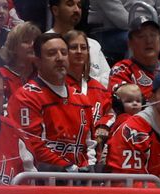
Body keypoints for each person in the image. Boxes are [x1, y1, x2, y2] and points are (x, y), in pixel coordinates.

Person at [7, 32, 96, 172]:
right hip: (41, 180)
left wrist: (89, 170)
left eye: (64, 52)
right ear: (37, 61)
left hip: (79, 179)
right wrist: (69, 169)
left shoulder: (82, 99)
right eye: (52, 53)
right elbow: (32, 146)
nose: (60, 58)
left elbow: (90, 144)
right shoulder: (26, 97)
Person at [48, 0, 110, 86]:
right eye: (70, 4)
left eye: (79, 5)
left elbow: (108, 79)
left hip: (96, 96)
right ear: (55, 10)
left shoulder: (93, 44)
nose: (77, 10)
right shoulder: (44, 43)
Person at [108, 16, 160, 100]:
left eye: (153, 35)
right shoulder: (122, 70)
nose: (149, 41)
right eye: (141, 36)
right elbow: (121, 102)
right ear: (130, 43)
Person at [64, 30, 110, 127]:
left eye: (83, 48)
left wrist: (103, 127)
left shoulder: (99, 89)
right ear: (64, 51)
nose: (79, 51)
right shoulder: (57, 86)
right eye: (73, 47)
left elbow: (110, 115)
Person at [0, 20, 38, 104]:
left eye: (35, 41)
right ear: (13, 47)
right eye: (26, 41)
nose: (32, 45)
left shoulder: (42, 74)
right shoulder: (0, 75)